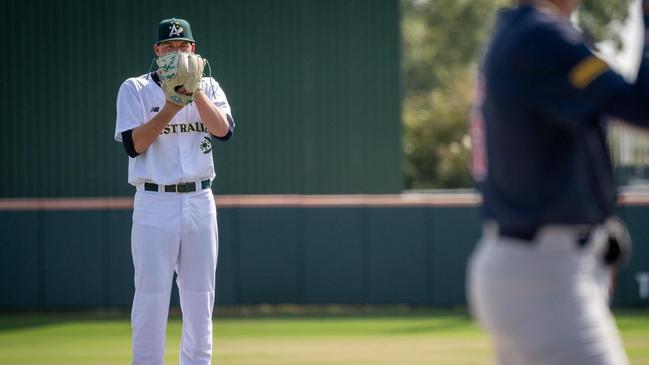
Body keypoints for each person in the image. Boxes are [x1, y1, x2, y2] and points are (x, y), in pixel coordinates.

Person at [467, 0, 649, 364]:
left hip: (536, 266)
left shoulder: (524, 32)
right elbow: (642, 108)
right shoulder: (539, 37)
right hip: (543, 275)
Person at [114, 18, 234, 365]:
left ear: (194, 51)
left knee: (200, 299)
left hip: (200, 198)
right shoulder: (135, 88)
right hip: (155, 199)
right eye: (169, 48)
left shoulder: (209, 87)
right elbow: (133, 145)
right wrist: (171, 105)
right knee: (151, 298)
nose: (176, 54)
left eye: (183, 47)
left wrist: (193, 94)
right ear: (157, 51)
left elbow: (224, 131)